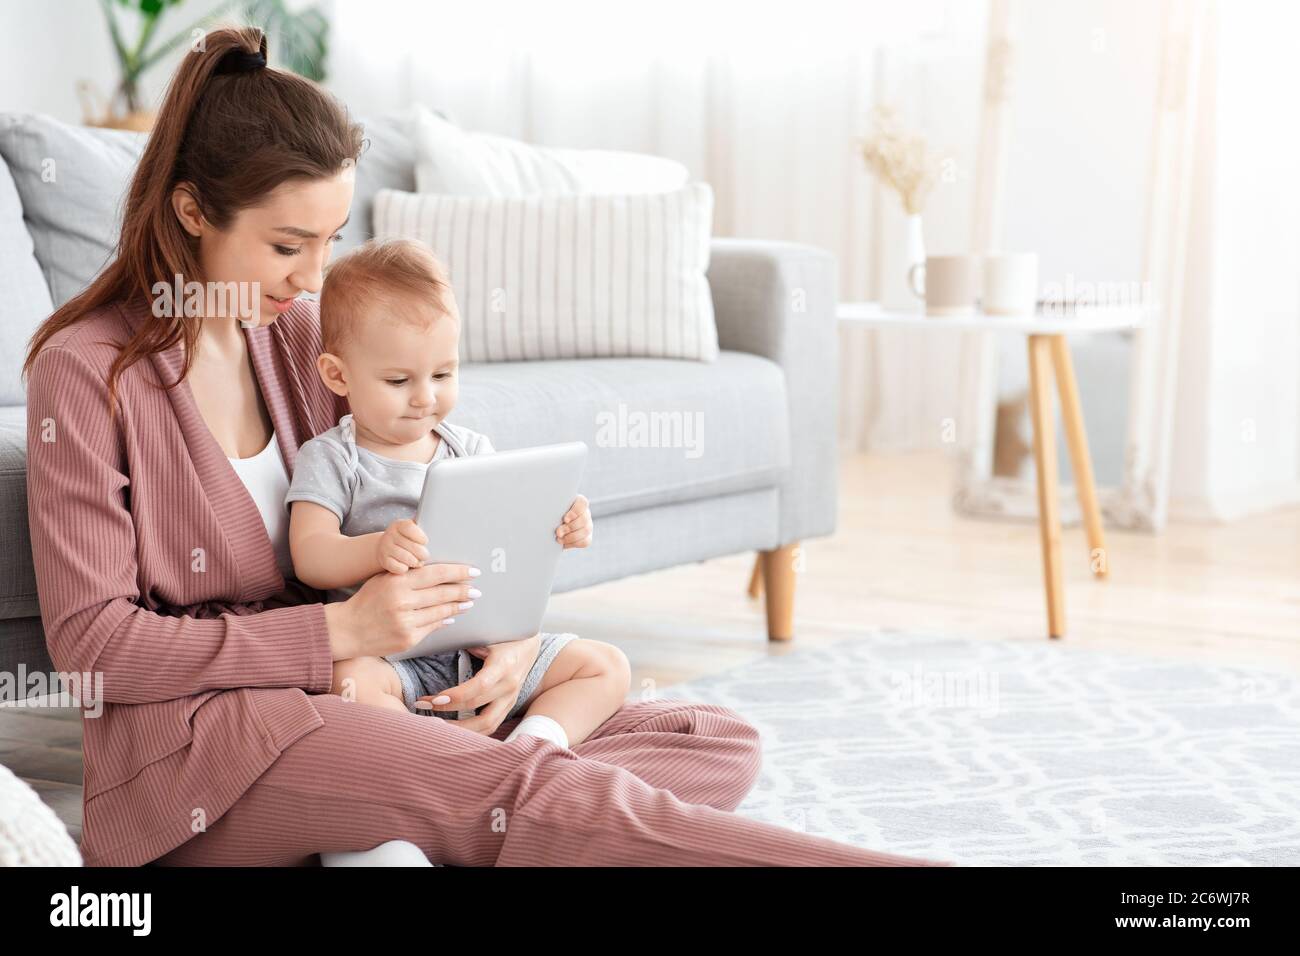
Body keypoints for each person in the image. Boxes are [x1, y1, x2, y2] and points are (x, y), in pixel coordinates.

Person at [21, 25, 947, 867]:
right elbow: (97, 649)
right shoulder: (87, 372)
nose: (313, 278)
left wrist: (501, 650)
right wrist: (340, 631)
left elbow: (417, 515)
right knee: (528, 792)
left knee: (713, 736)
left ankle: (421, 830)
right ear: (190, 211)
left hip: (378, 697)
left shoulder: (303, 339)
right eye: (286, 246)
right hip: (211, 749)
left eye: (332, 241)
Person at [287, 237, 626, 748]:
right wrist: (373, 548)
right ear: (338, 375)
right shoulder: (333, 457)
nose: (426, 397)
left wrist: (561, 524)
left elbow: (511, 542)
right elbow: (309, 556)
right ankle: (435, 758)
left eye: (444, 374)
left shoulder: (469, 448)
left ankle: (533, 749)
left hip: (482, 648)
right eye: (399, 380)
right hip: (392, 660)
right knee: (349, 682)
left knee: (608, 667)